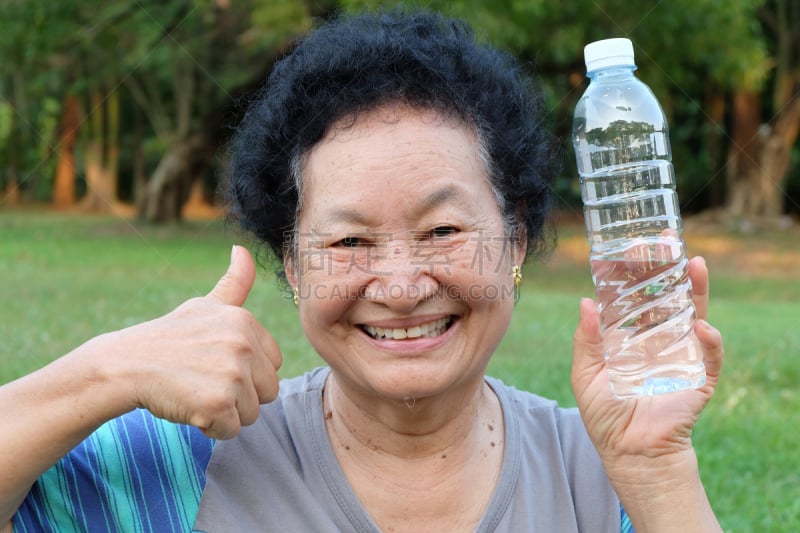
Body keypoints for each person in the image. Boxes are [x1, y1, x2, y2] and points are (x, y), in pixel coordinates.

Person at [1, 9, 724, 533]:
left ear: (515, 240)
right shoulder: (181, 463)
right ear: (290, 263)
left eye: (443, 230)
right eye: (349, 242)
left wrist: (658, 472)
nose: (403, 286)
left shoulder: (603, 472)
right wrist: (106, 372)